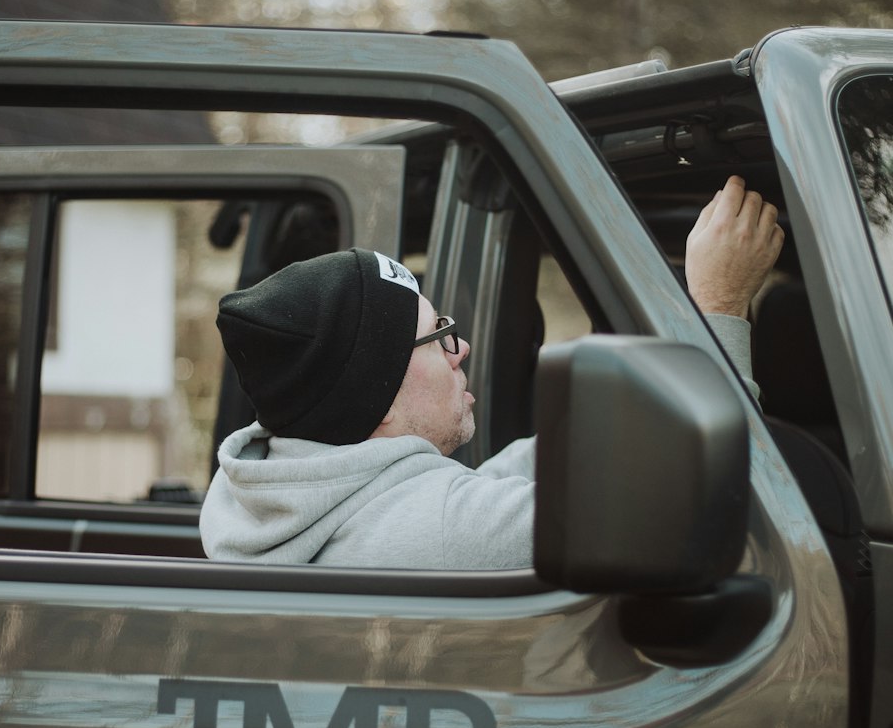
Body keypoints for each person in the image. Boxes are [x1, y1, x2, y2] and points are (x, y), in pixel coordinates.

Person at [200, 175, 783, 570]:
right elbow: (707, 508)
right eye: (437, 337)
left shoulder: (251, 495)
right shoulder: (446, 532)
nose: (463, 348)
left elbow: (495, 481)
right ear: (373, 395)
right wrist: (721, 306)